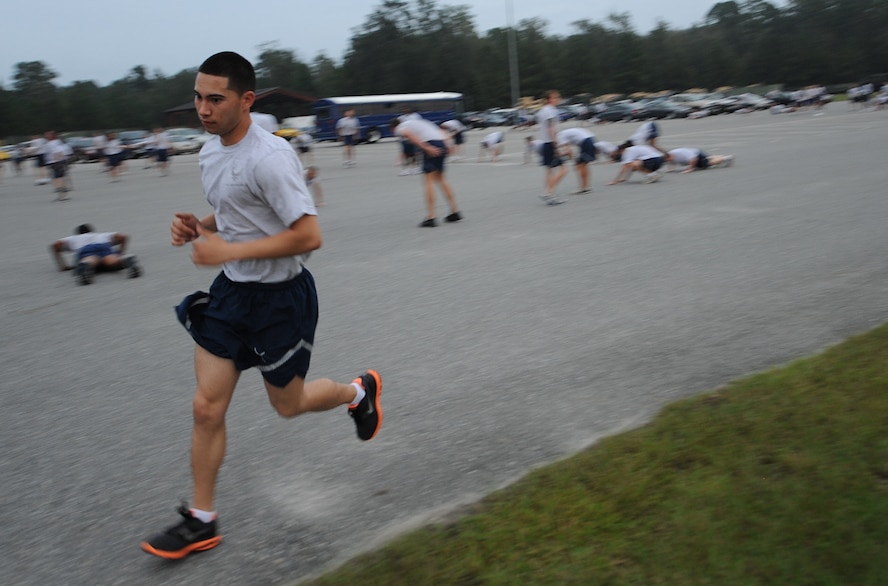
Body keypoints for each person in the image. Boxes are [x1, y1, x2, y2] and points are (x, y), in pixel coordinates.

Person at [140, 51, 382, 560]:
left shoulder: (271, 156)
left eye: (215, 99)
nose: (203, 109)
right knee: (206, 407)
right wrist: (201, 226)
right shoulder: (210, 150)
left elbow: (308, 235)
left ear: (246, 100)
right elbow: (237, 206)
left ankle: (357, 393)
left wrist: (228, 248)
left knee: (287, 406)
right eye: (198, 98)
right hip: (231, 295)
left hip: (280, 300)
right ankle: (202, 520)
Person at [390, 116, 462, 227]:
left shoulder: (400, 127)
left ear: (393, 127)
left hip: (431, 144)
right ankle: (455, 211)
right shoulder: (418, 122)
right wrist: (448, 144)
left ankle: (431, 217)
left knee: (428, 181)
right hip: (441, 142)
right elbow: (440, 131)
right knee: (441, 179)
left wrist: (427, 148)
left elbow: (410, 135)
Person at [50, 223, 142, 285]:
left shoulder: (74, 238)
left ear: (78, 233)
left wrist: (63, 266)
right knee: (111, 260)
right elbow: (122, 237)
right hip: (103, 246)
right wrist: (120, 252)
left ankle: (86, 265)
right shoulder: (101, 235)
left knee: (90, 259)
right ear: (92, 231)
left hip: (86, 249)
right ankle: (125, 259)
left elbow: (56, 245)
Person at [536, 90, 567, 205]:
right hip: (550, 143)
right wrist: (556, 145)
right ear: (549, 99)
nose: (558, 99)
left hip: (545, 143)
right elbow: (550, 128)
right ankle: (548, 192)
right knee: (563, 169)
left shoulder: (542, 111)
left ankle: (550, 195)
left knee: (549, 171)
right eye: (555, 97)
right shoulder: (550, 111)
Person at [555, 127, 597, 194]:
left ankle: (584, 188)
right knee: (583, 165)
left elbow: (568, 151)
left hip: (586, 142)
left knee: (580, 166)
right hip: (590, 139)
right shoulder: (564, 133)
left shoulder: (560, 136)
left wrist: (558, 155)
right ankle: (586, 187)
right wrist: (574, 161)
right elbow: (570, 152)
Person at [664, 148, 734, 173]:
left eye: (668, 159)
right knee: (707, 158)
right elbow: (670, 162)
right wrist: (670, 169)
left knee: (708, 163)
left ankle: (726, 158)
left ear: (670, 156)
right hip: (696, 152)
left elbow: (694, 159)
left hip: (697, 156)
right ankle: (720, 156)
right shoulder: (669, 156)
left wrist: (690, 169)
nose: (669, 161)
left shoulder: (678, 153)